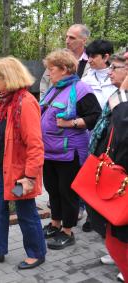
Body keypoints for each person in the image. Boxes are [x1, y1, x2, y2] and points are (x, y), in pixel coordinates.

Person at [0, 57, 46, 269]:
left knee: (26, 213)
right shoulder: (2, 101)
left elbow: (35, 144)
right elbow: (6, 130)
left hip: (20, 171)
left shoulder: (26, 102)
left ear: (8, 78)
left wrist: (30, 177)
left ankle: (36, 253)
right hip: (1, 166)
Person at [40, 49, 101, 250]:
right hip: (49, 152)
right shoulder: (54, 89)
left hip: (69, 153)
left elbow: (95, 117)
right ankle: (55, 224)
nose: (49, 74)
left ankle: (68, 231)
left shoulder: (81, 89)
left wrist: (72, 123)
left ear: (65, 69)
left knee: (67, 193)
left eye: (52, 69)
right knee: (53, 190)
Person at [87, 53, 128, 282]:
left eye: (117, 66)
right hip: (113, 166)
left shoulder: (122, 99)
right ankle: (120, 256)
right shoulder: (119, 96)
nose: (110, 71)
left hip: (122, 172)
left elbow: (123, 131)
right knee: (111, 224)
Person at [79, 39, 117, 233]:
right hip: (89, 135)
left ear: (106, 57)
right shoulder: (85, 79)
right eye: (88, 56)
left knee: (105, 176)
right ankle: (89, 215)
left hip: (111, 135)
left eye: (93, 56)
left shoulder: (118, 78)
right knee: (89, 174)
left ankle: (105, 215)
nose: (90, 60)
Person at [40, 24, 91, 98]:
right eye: (66, 37)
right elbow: (44, 83)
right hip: (54, 105)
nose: (67, 41)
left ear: (84, 40)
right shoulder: (56, 58)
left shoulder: (92, 60)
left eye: (72, 38)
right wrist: (44, 103)